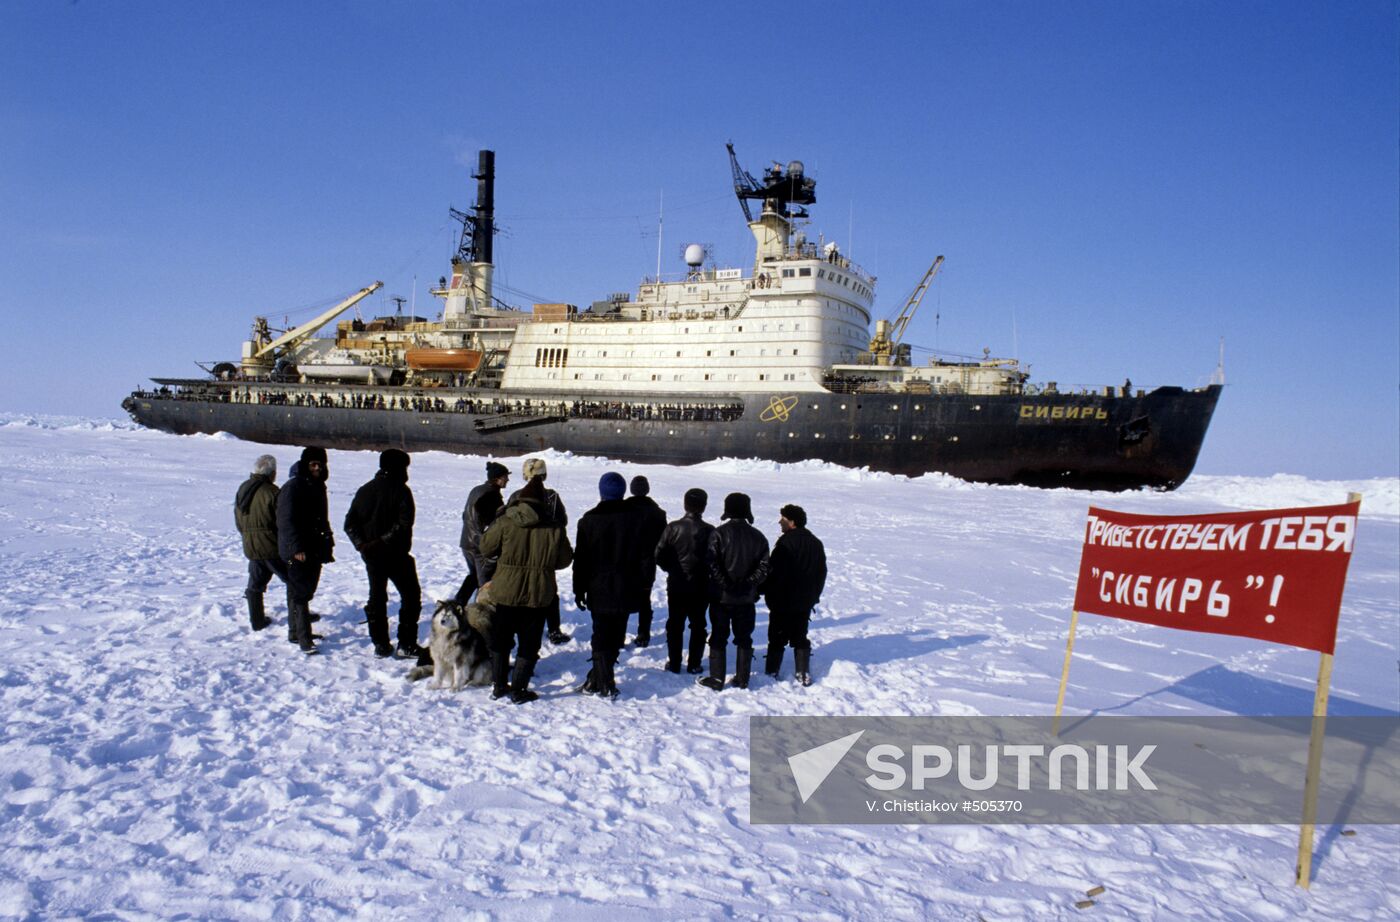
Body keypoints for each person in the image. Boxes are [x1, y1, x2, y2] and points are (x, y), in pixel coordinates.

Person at [479, 474, 573, 703]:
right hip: (538, 594)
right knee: (529, 643)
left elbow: (485, 548)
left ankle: (499, 686)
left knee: (501, 639)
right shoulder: (554, 528)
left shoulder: (505, 521)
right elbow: (564, 561)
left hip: (506, 592)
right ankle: (519, 690)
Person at [344, 449, 423, 659]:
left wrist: (362, 545)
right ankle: (406, 643)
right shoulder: (401, 490)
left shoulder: (365, 490)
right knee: (411, 596)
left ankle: (380, 643)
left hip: (372, 556)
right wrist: (379, 543)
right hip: (395, 555)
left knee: (377, 597)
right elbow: (404, 524)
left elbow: (349, 524)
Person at [572, 472, 635, 697]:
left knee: (601, 633)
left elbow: (581, 559)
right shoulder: (633, 519)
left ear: (602, 492)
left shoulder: (589, 520)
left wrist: (578, 588)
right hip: (626, 584)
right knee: (617, 633)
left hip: (598, 584)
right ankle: (600, 680)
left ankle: (602, 681)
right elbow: (644, 556)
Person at [700, 492, 769, 691]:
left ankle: (717, 679)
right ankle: (742, 679)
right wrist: (747, 584)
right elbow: (764, 568)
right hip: (746, 599)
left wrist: (726, 584)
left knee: (718, 636)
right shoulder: (758, 537)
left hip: (722, 598)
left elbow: (712, 564)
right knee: (744, 637)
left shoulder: (719, 533)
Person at [505, 458, 571, 644]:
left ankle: (516, 628)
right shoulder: (552, 497)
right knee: (550, 592)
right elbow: (562, 522)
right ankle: (554, 629)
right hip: (545, 553)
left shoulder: (516, 496)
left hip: (520, 551)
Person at [277, 447, 336, 655]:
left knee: (304, 590)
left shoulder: (318, 486)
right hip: (299, 550)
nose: (317, 467)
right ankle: (304, 638)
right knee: (301, 593)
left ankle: (296, 632)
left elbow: (321, 519)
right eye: (313, 464)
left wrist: (327, 541)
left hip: (314, 548)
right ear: (305, 465)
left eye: (320, 464)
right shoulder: (293, 487)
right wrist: (296, 548)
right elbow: (286, 521)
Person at [762, 504, 827, 686]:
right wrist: (814, 596)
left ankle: (771, 672)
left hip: (782, 600)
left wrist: (768, 594)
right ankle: (802, 673)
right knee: (800, 636)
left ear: (791, 522)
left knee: (776, 638)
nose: (779, 522)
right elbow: (821, 572)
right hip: (804, 600)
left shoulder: (785, 544)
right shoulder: (815, 542)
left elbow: (773, 573)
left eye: (782, 519)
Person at [655, 487, 715, 674]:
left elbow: (659, 554)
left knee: (675, 623)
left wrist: (672, 569)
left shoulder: (673, 528)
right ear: (704, 507)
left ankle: (674, 663)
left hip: (677, 584)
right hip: (701, 585)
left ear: (685, 504)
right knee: (698, 624)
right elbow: (714, 558)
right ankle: (694, 663)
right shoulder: (709, 531)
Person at [233, 453, 286, 632]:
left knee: (255, 584)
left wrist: (247, 536)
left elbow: (238, 517)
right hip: (271, 547)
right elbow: (281, 522)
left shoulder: (243, 488)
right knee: (294, 580)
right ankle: (299, 617)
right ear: (272, 473)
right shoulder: (272, 492)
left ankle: (257, 620)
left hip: (251, 546)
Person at [455, 461, 510, 604]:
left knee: (473, 576)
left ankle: (458, 604)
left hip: (466, 542)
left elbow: (466, 515)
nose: (508, 480)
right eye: (505, 477)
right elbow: (492, 524)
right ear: (497, 478)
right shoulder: (491, 495)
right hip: (480, 547)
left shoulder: (476, 490)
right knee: (485, 584)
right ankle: (481, 615)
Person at [623, 475, 667, 647]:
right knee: (644, 599)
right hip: (647, 564)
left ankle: (619, 635)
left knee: (623, 598)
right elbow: (663, 540)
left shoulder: (623, 510)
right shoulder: (658, 513)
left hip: (625, 563)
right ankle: (643, 635)